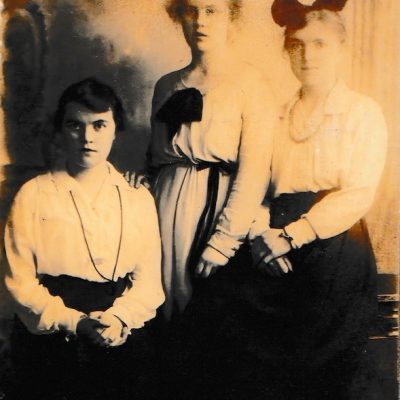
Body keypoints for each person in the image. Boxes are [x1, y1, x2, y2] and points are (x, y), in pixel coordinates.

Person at [182, 1, 387, 399]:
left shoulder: (361, 113)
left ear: (342, 49)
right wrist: (262, 235)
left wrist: (292, 236)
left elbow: (359, 192)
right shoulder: (275, 115)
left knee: (314, 360)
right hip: (271, 238)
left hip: (334, 245)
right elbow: (258, 187)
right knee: (215, 312)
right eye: (296, 45)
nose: (307, 55)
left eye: (320, 44)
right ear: (285, 51)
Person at [3, 78, 164, 400]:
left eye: (99, 125)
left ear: (116, 130)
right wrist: (74, 323)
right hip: (51, 332)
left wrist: (119, 319)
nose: (87, 137)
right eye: (75, 125)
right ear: (61, 131)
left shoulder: (136, 197)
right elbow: (18, 282)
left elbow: (149, 283)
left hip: (119, 328)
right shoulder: (34, 195)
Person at [131, 0, 278, 322]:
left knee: (206, 313)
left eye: (212, 10)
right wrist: (141, 178)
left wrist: (224, 241)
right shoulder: (166, 85)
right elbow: (156, 159)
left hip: (216, 210)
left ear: (231, 16)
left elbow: (254, 173)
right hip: (162, 207)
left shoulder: (250, 83)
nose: (201, 21)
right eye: (191, 11)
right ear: (178, 16)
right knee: (158, 303)